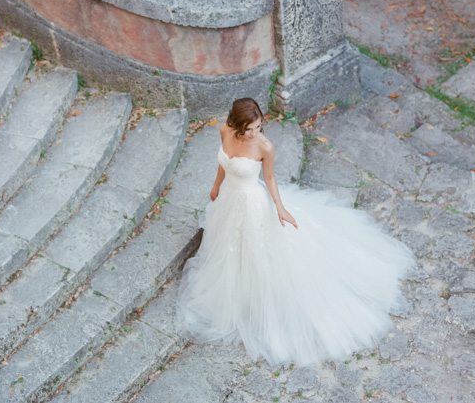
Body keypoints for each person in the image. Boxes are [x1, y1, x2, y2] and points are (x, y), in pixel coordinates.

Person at [176, 97, 416, 366]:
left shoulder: (265, 146)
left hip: (253, 203)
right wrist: (216, 185)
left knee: (260, 253)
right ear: (236, 124)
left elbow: (269, 178)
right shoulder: (225, 130)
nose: (255, 134)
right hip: (230, 199)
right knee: (229, 246)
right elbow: (224, 161)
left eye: (259, 127)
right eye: (250, 129)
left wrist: (279, 207)